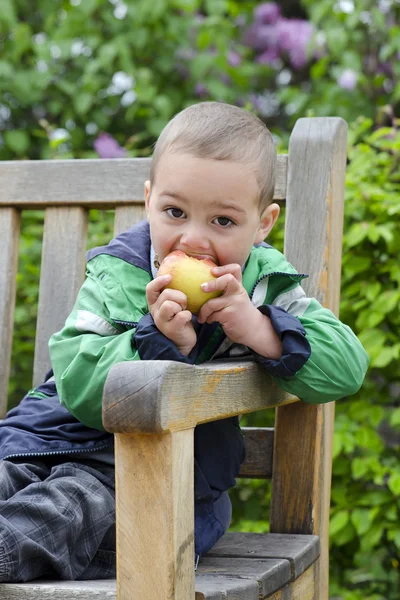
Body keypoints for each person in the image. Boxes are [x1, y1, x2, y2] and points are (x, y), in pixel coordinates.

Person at [0, 102, 369, 582]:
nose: (192, 240)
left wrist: (258, 328)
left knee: (61, 511)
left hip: (155, 486)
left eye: (223, 222)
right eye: (175, 212)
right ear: (149, 200)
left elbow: (347, 366)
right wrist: (153, 342)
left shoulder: (263, 287)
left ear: (262, 224)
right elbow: (77, 380)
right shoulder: (119, 274)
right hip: (37, 443)